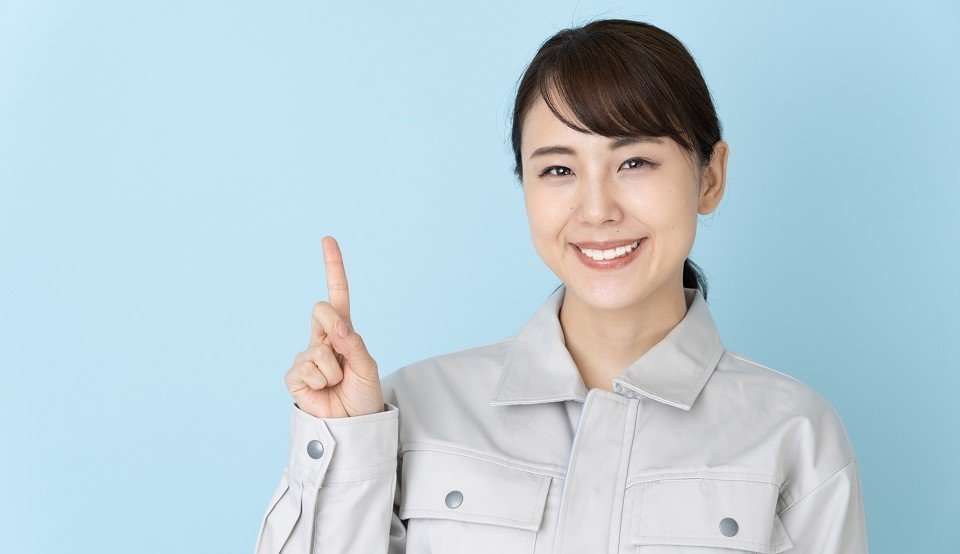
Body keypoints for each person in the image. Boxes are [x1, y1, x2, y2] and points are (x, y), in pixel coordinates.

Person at [254, 18, 869, 554]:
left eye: (634, 162)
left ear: (710, 178)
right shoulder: (412, 409)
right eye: (557, 169)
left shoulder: (794, 434)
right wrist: (343, 439)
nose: (596, 209)